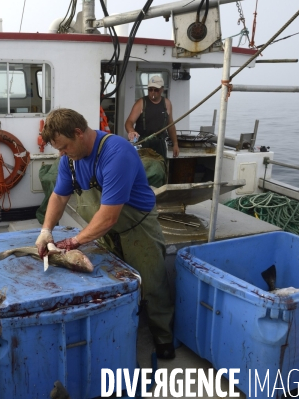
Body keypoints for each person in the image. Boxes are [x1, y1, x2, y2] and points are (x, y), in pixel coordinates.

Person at [35, 108, 175, 359]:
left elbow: (110, 215)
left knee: (153, 284)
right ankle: (120, 329)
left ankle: (163, 336)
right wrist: (46, 231)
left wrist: (75, 241)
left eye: (64, 146)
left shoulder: (116, 153)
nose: (61, 153)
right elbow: (59, 195)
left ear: (78, 133)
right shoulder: (70, 160)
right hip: (103, 232)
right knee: (113, 281)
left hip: (137, 227)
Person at [125, 75, 180, 160]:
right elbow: (129, 122)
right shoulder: (141, 103)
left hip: (160, 145)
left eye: (156, 90)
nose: (152, 92)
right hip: (143, 144)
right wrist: (131, 131)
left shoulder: (167, 103)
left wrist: (175, 144)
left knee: (160, 169)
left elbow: (170, 125)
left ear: (162, 89)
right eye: (150, 89)